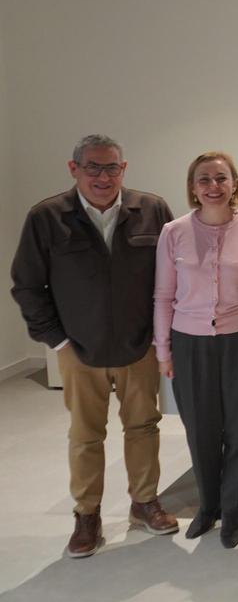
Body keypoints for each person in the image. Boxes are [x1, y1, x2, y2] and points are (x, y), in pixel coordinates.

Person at [11, 134, 178, 558]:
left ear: (124, 169)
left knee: (143, 426)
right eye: (93, 168)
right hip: (78, 350)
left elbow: (174, 274)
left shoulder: (152, 210)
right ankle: (87, 514)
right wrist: (58, 340)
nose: (103, 177)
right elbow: (28, 286)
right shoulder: (47, 217)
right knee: (86, 435)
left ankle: (145, 502)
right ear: (74, 169)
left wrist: (163, 336)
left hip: (138, 346)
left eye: (112, 168)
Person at [153, 152, 238, 548]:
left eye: (221, 178)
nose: (213, 186)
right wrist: (164, 349)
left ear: (234, 184)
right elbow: (162, 295)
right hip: (189, 342)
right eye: (204, 179)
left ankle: (232, 510)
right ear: (193, 187)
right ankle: (207, 505)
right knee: (201, 427)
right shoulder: (173, 232)